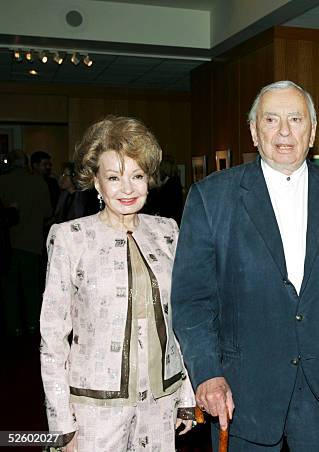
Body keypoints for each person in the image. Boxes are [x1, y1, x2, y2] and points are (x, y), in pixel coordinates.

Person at [171, 80, 319, 451]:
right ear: (254, 131)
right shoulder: (211, 198)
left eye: (296, 119)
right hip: (243, 396)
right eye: (271, 120)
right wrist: (208, 374)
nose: (284, 132)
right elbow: (192, 302)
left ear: (313, 131)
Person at [40, 116, 196, 451]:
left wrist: (186, 394)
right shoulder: (70, 238)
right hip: (93, 407)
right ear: (96, 182)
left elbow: (180, 320)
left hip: (159, 402)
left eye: (137, 176)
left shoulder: (167, 232)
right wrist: (62, 425)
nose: (127, 188)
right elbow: (51, 337)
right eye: (114, 177)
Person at [0, 149, 51, 336]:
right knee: (31, 289)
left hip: (8, 244)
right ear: (26, 163)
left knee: (10, 289)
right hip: (32, 242)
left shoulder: (3, 182)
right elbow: (47, 212)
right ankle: (32, 324)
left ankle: (13, 326)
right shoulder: (38, 182)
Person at [144, 158, 184, 224]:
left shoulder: (171, 185)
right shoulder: (174, 182)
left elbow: (160, 203)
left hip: (169, 221)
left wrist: (154, 189)